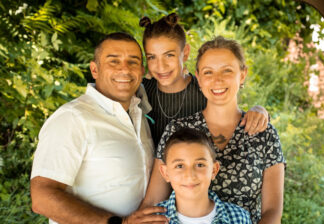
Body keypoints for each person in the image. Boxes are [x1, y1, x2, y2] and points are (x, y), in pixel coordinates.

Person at [142, 36, 286, 224]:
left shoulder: (264, 133)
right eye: (208, 72)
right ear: (199, 77)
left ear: (242, 75)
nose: (217, 80)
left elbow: (272, 211)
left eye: (227, 71)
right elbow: (153, 201)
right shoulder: (177, 130)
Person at [30, 32, 168, 224]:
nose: (125, 69)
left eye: (133, 62)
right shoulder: (73, 118)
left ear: (142, 70)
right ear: (95, 69)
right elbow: (42, 197)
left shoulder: (139, 115)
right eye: (114, 61)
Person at [139, 13, 269, 148]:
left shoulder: (205, 88)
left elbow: (232, 114)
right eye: (152, 57)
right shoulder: (141, 90)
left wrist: (260, 110)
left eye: (169, 55)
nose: (161, 66)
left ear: (186, 53)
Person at [157, 127, 252, 224]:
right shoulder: (152, 219)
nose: (190, 175)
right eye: (180, 166)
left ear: (214, 170)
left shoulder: (240, 218)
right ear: (165, 173)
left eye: (200, 165)